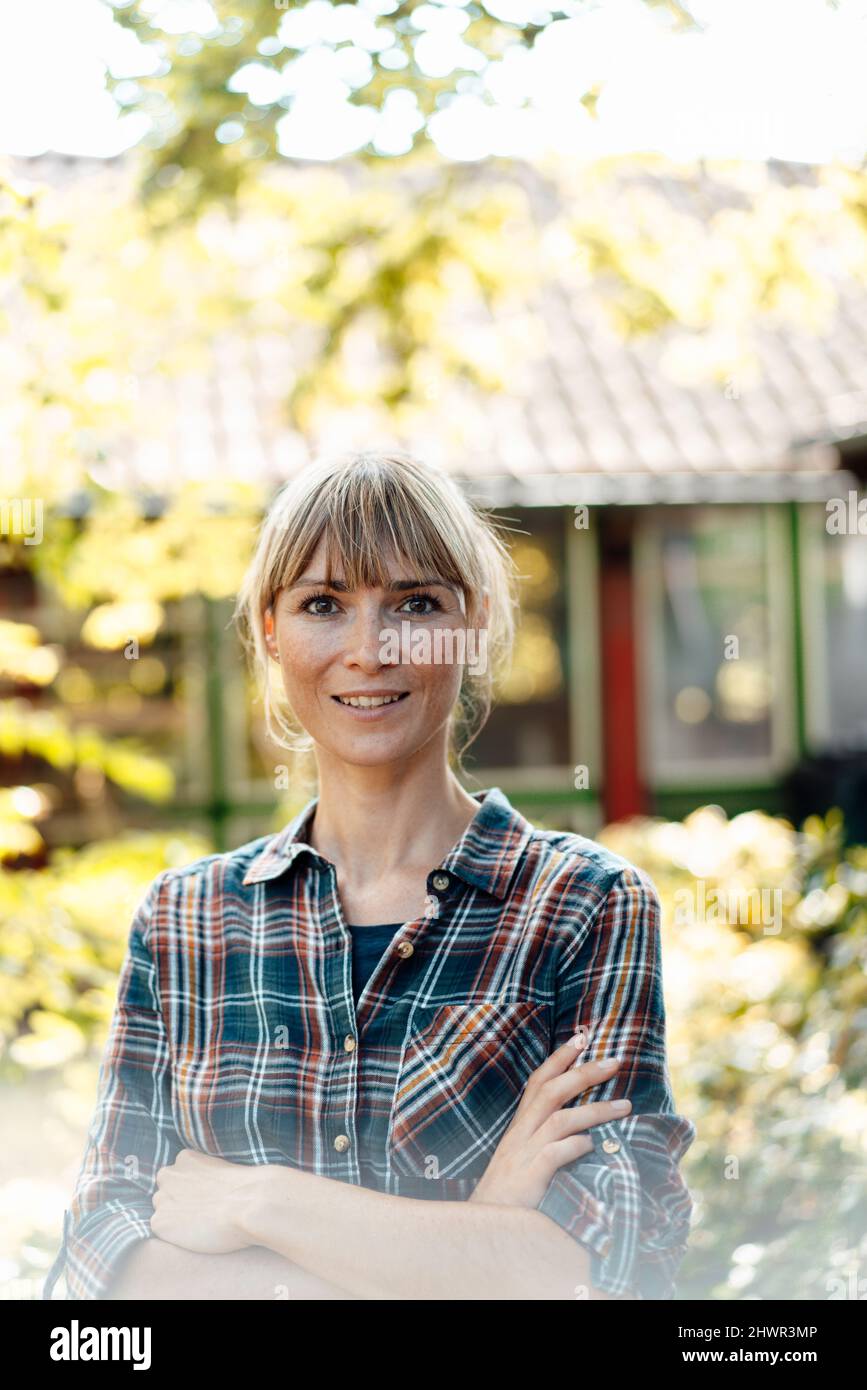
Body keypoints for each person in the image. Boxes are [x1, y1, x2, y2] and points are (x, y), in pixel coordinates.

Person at [44, 448, 695, 1302]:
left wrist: (260, 1202)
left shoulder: (584, 907)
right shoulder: (184, 921)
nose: (368, 649)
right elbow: (98, 1276)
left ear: (475, 623)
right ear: (270, 632)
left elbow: (608, 1273)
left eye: (415, 604)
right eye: (323, 604)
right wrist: (471, 1241)